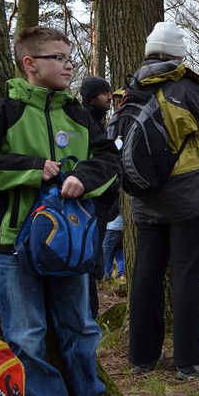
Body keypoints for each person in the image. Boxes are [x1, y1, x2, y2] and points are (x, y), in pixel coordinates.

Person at [0, 26, 118, 396]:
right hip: (15, 244)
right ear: (30, 63)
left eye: (70, 57)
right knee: (26, 336)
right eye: (58, 57)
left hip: (71, 244)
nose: (69, 64)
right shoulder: (3, 112)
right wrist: (30, 168)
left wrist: (80, 176)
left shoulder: (79, 114)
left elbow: (109, 160)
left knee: (81, 328)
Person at [127, 22, 199, 380]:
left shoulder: (132, 87)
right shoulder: (183, 86)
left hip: (145, 198)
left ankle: (141, 356)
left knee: (146, 276)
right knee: (187, 275)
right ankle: (190, 360)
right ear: (177, 54)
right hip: (187, 198)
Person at [79, 76, 120, 313]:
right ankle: (88, 312)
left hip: (103, 205)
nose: (109, 97)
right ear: (91, 97)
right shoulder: (85, 121)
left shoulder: (100, 123)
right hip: (90, 204)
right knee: (88, 258)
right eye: (104, 93)